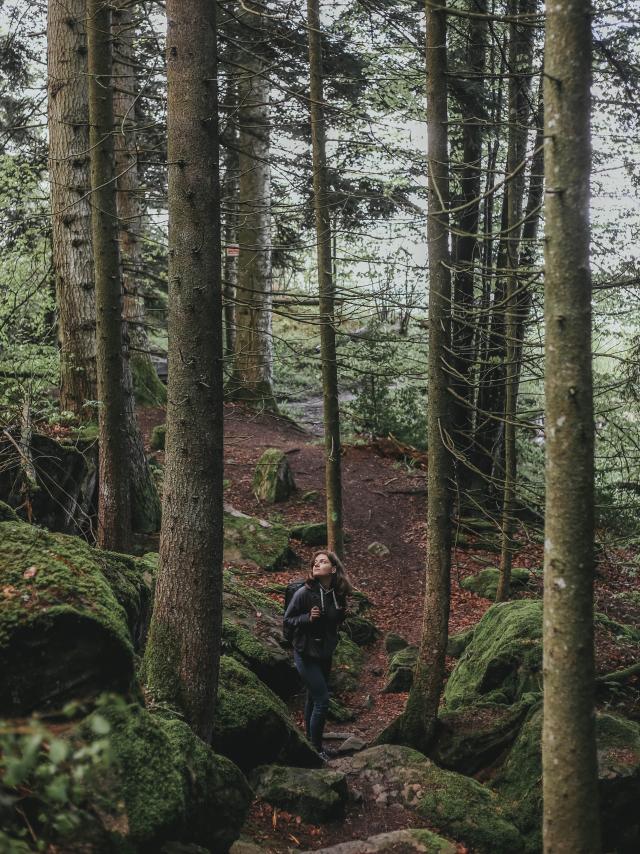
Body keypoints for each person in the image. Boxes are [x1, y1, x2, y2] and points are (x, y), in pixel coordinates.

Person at [283, 550, 352, 760]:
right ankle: (317, 750)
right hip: (305, 653)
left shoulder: (338, 594)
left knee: (313, 698)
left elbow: (335, 620)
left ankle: (311, 744)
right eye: (315, 562)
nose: (316, 564)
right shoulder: (303, 593)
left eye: (322, 561)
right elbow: (287, 620)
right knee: (322, 700)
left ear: (332, 569)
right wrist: (306, 618)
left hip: (324, 653)